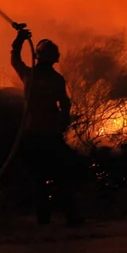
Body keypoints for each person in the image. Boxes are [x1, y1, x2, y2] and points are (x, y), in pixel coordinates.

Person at [10, 27, 84, 227]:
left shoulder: (29, 75)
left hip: (32, 133)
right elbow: (65, 104)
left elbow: (15, 60)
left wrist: (19, 39)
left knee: (38, 177)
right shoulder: (56, 80)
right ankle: (70, 216)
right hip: (50, 134)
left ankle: (44, 218)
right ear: (54, 59)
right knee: (63, 174)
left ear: (37, 56)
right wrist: (63, 122)